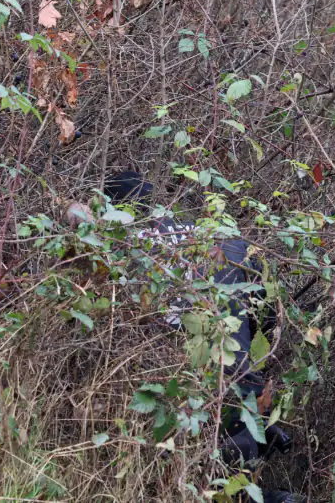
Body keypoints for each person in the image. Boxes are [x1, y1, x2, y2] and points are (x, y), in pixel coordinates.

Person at [97, 172, 303, 503]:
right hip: (239, 357)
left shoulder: (126, 250)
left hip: (193, 368)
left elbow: (134, 330)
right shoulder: (215, 235)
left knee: (218, 454)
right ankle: (267, 483)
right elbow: (268, 319)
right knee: (240, 403)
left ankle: (265, 494)